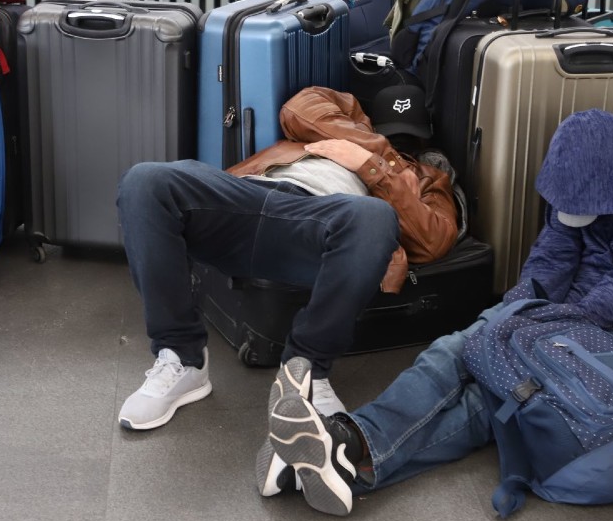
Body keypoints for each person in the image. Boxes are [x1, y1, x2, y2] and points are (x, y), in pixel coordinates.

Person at [265, 108, 613, 516]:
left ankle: (348, 447)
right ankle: (346, 451)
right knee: (456, 351)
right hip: (560, 308)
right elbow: (555, 251)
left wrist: (536, 328)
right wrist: (513, 310)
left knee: (500, 395)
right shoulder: (580, 162)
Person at [115, 84, 460, 436]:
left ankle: (305, 371)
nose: (399, 145)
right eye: (392, 135)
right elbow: (300, 106)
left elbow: (432, 240)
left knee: (373, 217)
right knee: (146, 180)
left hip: (320, 226)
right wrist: (362, 139)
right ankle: (181, 360)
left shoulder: (426, 178)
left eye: (410, 140)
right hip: (251, 195)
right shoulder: (344, 128)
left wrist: (373, 166)